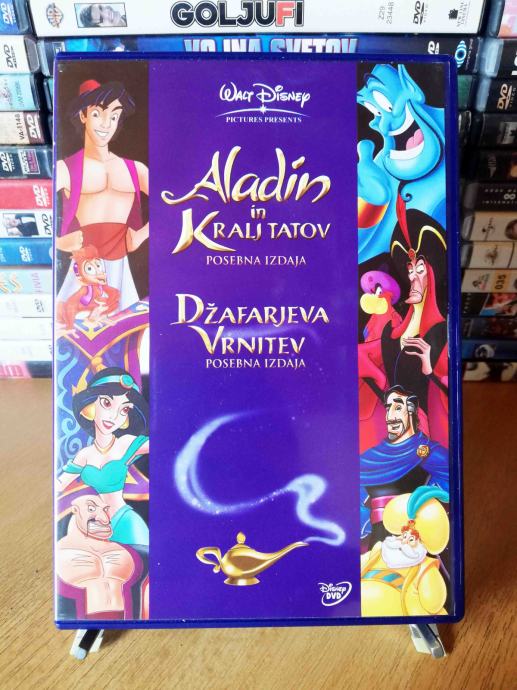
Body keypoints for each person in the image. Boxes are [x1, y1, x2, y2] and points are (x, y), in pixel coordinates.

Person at [56, 79, 148, 311]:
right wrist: (57, 242)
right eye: (97, 114)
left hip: (123, 269)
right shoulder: (65, 169)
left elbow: (176, 201)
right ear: (83, 116)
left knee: (127, 327)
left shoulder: (136, 169)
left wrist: (141, 235)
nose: (106, 124)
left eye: (114, 116)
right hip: (83, 273)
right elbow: (22, 208)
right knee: (75, 325)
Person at [56, 366, 149, 548]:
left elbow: (165, 442)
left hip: (125, 522)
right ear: (90, 407)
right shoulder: (84, 455)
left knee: (141, 562)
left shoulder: (125, 444)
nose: (114, 416)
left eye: (124, 410)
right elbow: (59, 486)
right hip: (95, 526)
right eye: (107, 403)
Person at [360, 386, 449, 547]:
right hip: (378, 545)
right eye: (388, 408)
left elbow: (450, 479)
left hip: (415, 541)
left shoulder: (426, 451)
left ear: (412, 412)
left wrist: (425, 499)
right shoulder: (370, 458)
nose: (390, 416)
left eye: (398, 407)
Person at [361, 486, 450, 617]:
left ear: (421, 542)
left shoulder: (425, 568)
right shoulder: (379, 551)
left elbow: (433, 603)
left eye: (411, 539)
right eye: (404, 534)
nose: (404, 541)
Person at [56, 495, 137, 620]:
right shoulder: (63, 549)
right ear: (76, 510)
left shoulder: (124, 549)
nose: (104, 519)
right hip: (86, 619)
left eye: (104, 510)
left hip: (125, 617)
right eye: (91, 509)